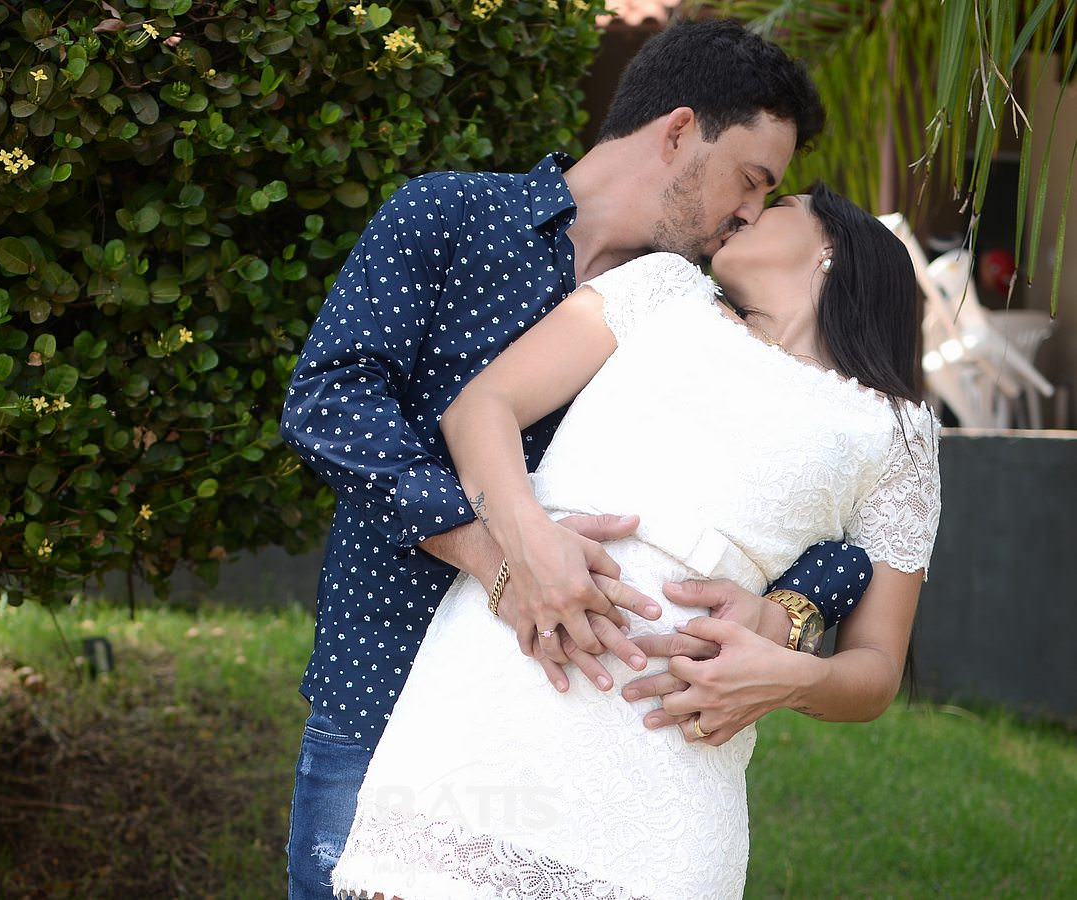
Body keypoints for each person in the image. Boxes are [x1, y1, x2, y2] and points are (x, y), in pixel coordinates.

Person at [280, 20, 870, 897]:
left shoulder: (697, 316)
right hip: (385, 678)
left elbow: (830, 501)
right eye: (750, 179)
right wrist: (498, 552)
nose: (750, 213)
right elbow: (331, 400)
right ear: (678, 132)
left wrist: (784, 613)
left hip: (565, 733)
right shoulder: (449, 213)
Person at [331, 184, 942, 898]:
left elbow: (875, 671)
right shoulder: (662, 289)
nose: (746, 211)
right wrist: (526, 541)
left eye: (779, 205)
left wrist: (787, 677)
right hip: (508, 678)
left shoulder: (898, 433)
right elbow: (481, 407)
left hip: (676, 751)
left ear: (832, 250)